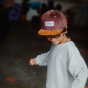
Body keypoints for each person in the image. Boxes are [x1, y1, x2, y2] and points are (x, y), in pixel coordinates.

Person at [29, 10, 88, 88]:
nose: (52, 40)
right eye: (49, 36)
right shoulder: (57, 44)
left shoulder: (70, 50)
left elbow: (82, 73)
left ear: (65, 29)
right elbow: (50, 55)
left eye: (56, 35)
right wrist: (37, 60)